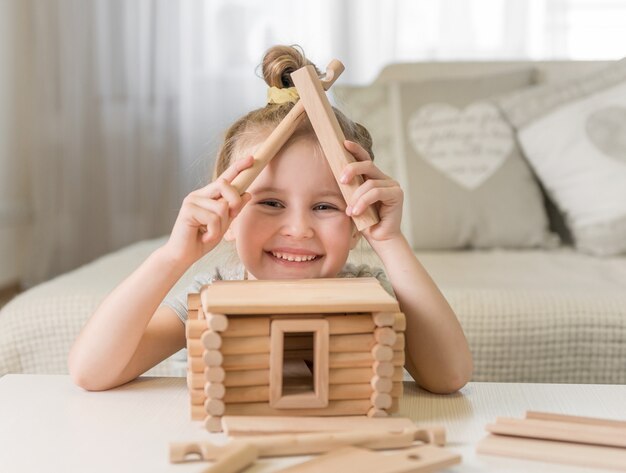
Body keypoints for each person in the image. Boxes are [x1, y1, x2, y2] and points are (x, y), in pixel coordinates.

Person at [68, 45, 472, 393]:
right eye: (271, 204)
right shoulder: (212, 294)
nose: (297, 229)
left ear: (356, 223)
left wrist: (388, 240)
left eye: (326, 207)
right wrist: (172, 256)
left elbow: (448, 376)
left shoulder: (368, 294)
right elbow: (91, 372)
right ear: (226, 211)